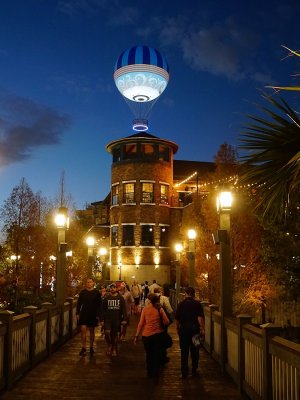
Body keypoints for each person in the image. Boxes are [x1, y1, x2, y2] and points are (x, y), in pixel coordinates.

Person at [134, 293, 169, 381]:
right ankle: (156, 373)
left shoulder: (145, 310)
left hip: (147, 336)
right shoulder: (159, 309)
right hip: (158, 335)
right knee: (156, 354)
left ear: (149, 301)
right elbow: (166, 321)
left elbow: (141, 323)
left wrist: (136, 335)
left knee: (149, 354)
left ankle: (149, 373)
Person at [175, 286, 205, 378]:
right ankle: (194, 370)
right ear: (193, 294)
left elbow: (177, 319)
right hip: (194, 330)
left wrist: (177, 328)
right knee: (194, 351)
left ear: (185, 294)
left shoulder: (181, 304)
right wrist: (202, 329)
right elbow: (199, 318)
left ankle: (184, 372)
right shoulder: (197, 304)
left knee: (184, 351)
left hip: (183, 330)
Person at [76, 277, 102, 356]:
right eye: (87, 282)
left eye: (90, 282)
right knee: (83, 330)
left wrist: (98, 315)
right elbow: (79, 303)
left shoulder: (97, 293)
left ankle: (91, 347)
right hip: (84, 313)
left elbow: (99, 305)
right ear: (86, 283)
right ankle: (83, 347)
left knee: (91, 331)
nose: (89, 283)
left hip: (92, 314)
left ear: (93, 283)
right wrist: (77, 313)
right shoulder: (82, 292)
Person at [102, 282, 127, 356]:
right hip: (108, 319)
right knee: (107, 333)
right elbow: (102, 309)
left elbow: (123, 309)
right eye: (111, 287)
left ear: (117, 288)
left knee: (114, 335)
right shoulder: (106, 298)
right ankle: (109, 345)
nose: (112, 289)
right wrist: (101, 319)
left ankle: (114, 349)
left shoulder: (120, 298)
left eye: (114, 287)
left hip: (117, 319)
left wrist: (124, 319)